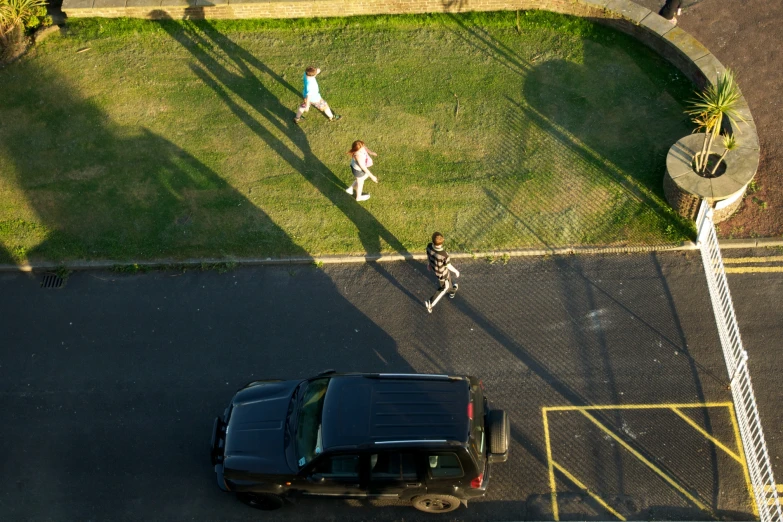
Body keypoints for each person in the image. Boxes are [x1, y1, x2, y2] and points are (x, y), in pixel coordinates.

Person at [425, 232, 460, 313]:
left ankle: (452, 292)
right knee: (444, 287)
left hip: (435, 268)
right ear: (442, 242)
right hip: (442, 274)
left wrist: (429, 264)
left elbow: (429, 256)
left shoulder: (429, 246)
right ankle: (431, 303)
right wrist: (456, 271)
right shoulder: (444, 255)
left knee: (448, 282)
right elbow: (448, 265)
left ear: (432, 241)